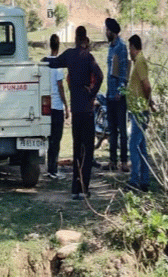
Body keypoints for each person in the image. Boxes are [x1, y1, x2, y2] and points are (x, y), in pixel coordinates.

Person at [42, 26, 103, 200]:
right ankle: (84, 189)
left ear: (75, 38)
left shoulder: (69, 55)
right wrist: (92, 93)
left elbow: (54, 62)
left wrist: (43, 59)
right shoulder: (88, 57)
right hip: (88, 109)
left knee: (77, 149)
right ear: (86, 39)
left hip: (76, 110)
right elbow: (100, 76)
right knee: (88, 150)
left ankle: (74, 189)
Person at [125, 34, 156, 192]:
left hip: (140, 111)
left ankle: (135, 179)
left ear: (133, 48)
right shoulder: (137, 62)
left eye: (129, 48)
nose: (129, 51)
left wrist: (149, 102)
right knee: (141, 147)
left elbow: (146, 85)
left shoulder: (140, 62)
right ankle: (145, 180)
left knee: (133, 145)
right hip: (138, 110)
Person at [103, 18, 130, 173]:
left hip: (119, 96)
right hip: (110, 94)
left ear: (112, 32)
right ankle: (112, 161)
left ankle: (124, 161)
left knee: (121, 129)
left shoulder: (121, 47)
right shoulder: (110, 48)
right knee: (112, 129)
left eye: (107, 30)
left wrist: (120, 91)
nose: (105, 32)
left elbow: (124, 71)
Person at [45, 34, 69, 179]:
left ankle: (50, 167)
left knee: (50, 139)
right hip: (57, 107)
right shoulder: (58, 65)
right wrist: (66, 105)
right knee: (56, 140)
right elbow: (60, 87)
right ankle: (53, 170)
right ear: (58, 46)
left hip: (46, 107)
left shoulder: (44, 63)